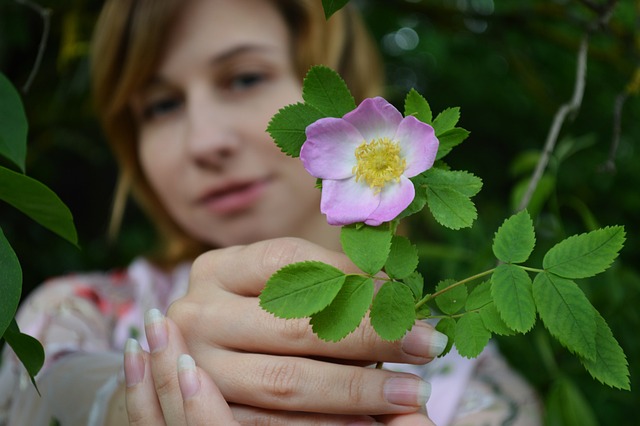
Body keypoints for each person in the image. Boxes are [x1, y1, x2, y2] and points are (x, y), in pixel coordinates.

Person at [0, 0, 542, 425]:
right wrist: (139, 402)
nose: (204, 141)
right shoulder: (74, 315)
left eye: (243, 77)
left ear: (351, 98)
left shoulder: (470, 390)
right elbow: (48, 392)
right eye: (161, 105)